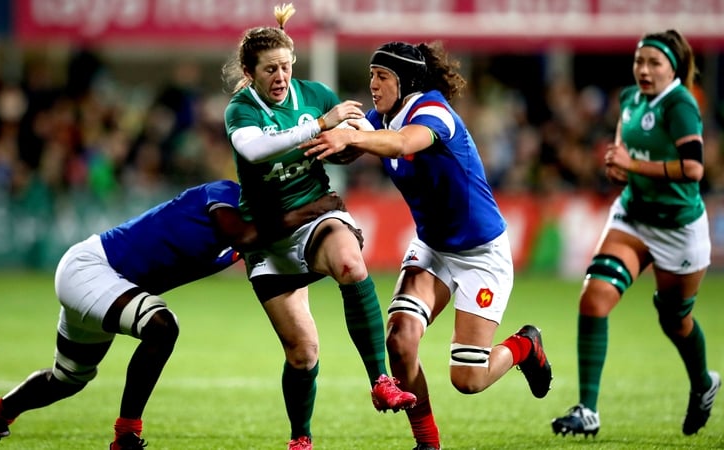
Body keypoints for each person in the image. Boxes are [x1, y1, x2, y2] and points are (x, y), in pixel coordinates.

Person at [300, 41, 553, 450]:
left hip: (480, 255)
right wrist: (316, 135)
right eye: (371, 76)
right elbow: (357, 145)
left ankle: (525, 345)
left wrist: (352, 136)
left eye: (382, 77)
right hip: (433, 248)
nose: (374, 84)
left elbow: (400, 144)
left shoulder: (432, 112)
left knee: (467, 380)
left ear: (406, 81)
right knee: (399, 340)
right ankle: (427, 444)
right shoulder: (380, 117)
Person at [0, 179, 343, 450]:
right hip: (91, 269)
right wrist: (312, 210)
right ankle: (126, 434)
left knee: (67, 379)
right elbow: (243, 235)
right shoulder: (225, 194)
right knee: (162, 326)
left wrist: (332, 262)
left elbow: (271, 256)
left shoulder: (248, 241)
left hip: (111, 286)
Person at [221, 4, 417, 449]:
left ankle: (380, 379)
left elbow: (357, 128)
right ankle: (301, 438)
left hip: (315, 213)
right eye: (270, 69)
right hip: (268, 237)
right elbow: (255, 152)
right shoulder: (240, 110)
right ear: (250, 73)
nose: (281, 76)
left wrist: (351, 138)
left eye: (287, 66)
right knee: (303, 352)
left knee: (351, 264)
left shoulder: (314, 94)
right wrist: (319, 125)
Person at [549, 29, 720, 438]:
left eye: (654, 63)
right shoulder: (630, 99)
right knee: (594, 298)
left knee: (675, 321)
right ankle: (587, 409)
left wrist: (635, 166)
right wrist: (617, 164)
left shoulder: (680, 104)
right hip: (633, 218)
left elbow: (694, 169)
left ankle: (703, 383)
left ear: (672, 67)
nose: (644, 70)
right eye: (639, 62)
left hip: (678, 227)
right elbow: (624, 148)